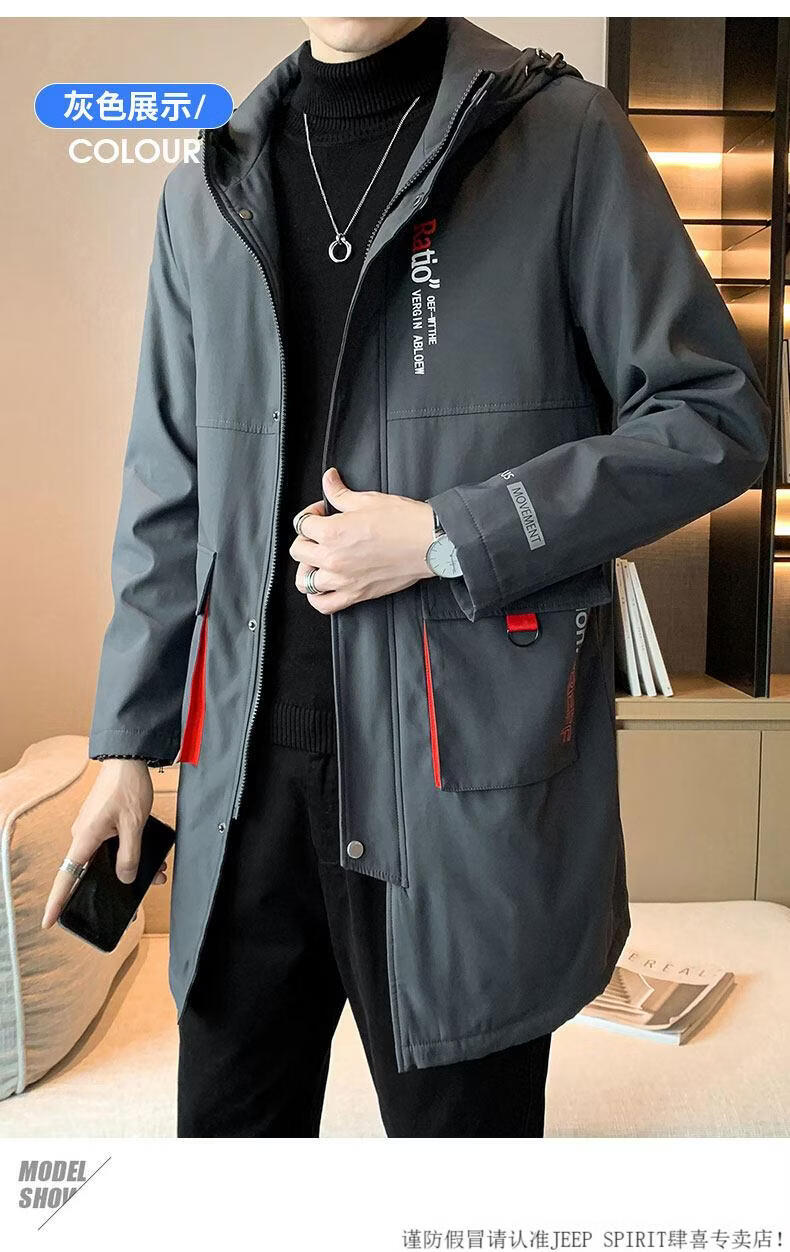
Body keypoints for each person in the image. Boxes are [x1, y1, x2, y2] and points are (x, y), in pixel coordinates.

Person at [42, 17, 770, 1137]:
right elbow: (167, 502)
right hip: (244, 796)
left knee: (457, 1176)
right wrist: (124, 748)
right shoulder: (207, 192)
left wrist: (446, 534)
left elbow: (712, 418)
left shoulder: (564, 138)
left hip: (458, 787)